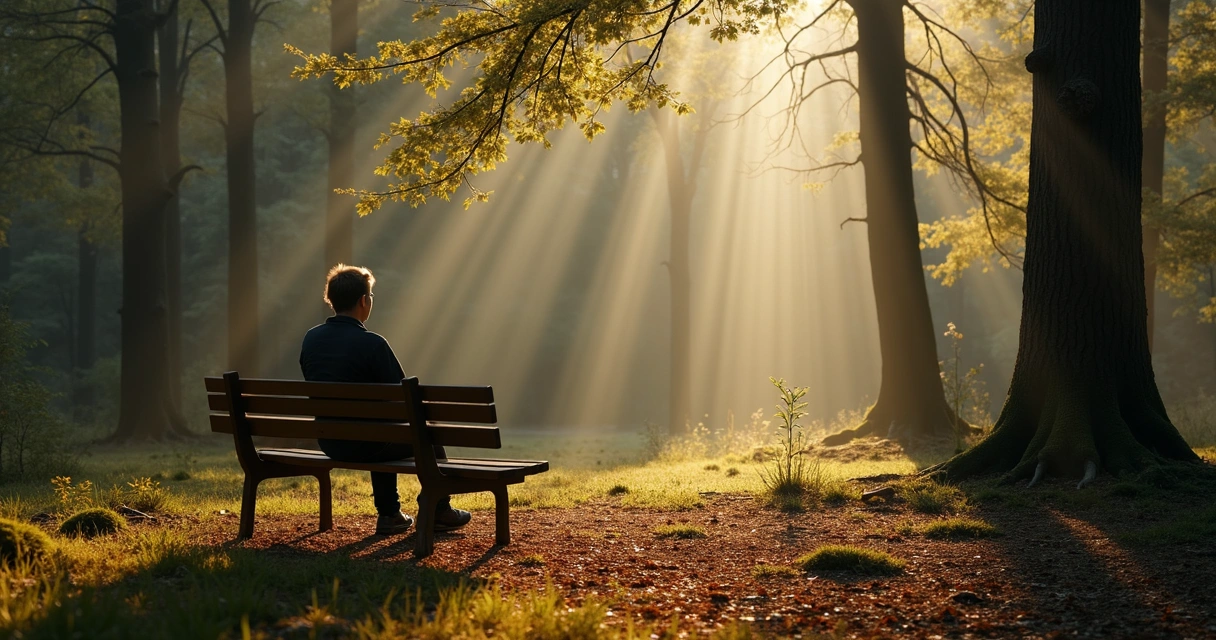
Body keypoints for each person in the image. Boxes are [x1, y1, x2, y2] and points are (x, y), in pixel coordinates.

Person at [300, 264, 472, 535]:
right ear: (364, 301)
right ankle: (438, 509)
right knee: (422, 433)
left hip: (330, 441)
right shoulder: (374, 344)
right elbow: (406, 400)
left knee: (380, 429)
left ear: (331, 301)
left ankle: (391, 514)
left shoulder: (311, 339)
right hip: (368, 442)